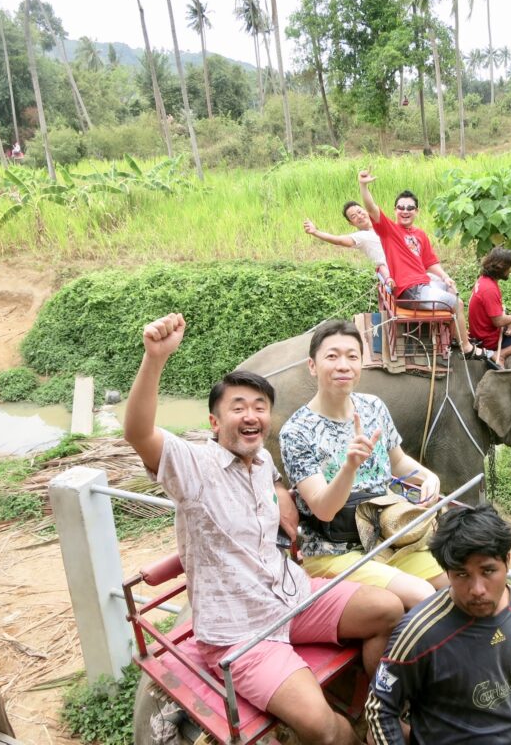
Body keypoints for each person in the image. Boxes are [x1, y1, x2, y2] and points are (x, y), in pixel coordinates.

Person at [124, 313, 404, 745]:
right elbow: (138, 432)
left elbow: (276, 489)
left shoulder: (262, 462)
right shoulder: (194, 466)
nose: (250, 415)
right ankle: (350, 733)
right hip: (242, 632)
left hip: (292, 594)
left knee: (388, 609)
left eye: (259, 407)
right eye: (237, 408)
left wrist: (284, 502)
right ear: (215, 424)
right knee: (326, 731)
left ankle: (376, 710)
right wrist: (155, 359)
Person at [280, 320, 449, 610]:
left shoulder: (373, 407)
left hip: (387, 535)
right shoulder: (296, 432)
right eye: (332, 356)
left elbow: (398, 461)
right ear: (312, 365)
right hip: (334, 551)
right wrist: (349, 467)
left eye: (352, 356)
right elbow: (323, 508)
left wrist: (427, 476)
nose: (343, 365)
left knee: (456, 582)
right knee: (422, 594)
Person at [364, 505, 511, 745]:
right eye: (462, 574)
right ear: (446, 572)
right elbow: (379, 708)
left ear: (507, 562)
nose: (477, 589)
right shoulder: (420, 631)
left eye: (488, 571)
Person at [357, 169, 490, 360]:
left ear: (417, 211)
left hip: (424, 283)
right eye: (401, 207)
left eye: (410, 208)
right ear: (395, 210)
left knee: (451, 288)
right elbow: (371, 209)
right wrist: (363, 185)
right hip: (411, 290)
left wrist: (445, 277)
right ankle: (467, 348)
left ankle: (456, 334)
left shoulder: (420, 235)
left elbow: (430, 262)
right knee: (458, 303)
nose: (405, 211)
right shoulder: (389, 231)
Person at [304, 201, 396, 292]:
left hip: (402, 264)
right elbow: (339, 240)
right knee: (382, 268)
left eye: (359, 212)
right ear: (351, 223)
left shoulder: (384, 226)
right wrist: (316, 232)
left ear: (366, 211)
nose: (359, 216)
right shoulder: (361, 236)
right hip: (389, 272)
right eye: (353, 216)